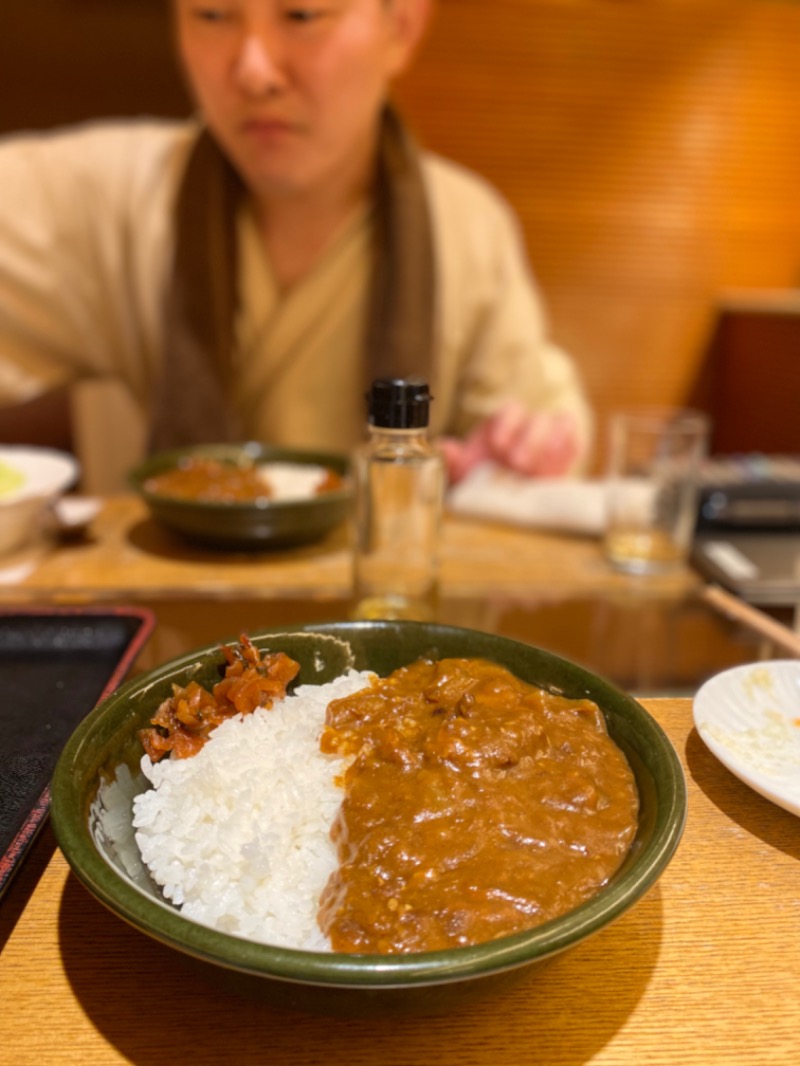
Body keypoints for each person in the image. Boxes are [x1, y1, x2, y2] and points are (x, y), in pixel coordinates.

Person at [0, 0, 592, 489]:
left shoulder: (466, 225)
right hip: (167, 620)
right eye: (211, 15)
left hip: (389, 622)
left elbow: (538, 430)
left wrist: (521, 455)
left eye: (302, 16)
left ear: (401, 28)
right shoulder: (112, 197)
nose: (254, 70)